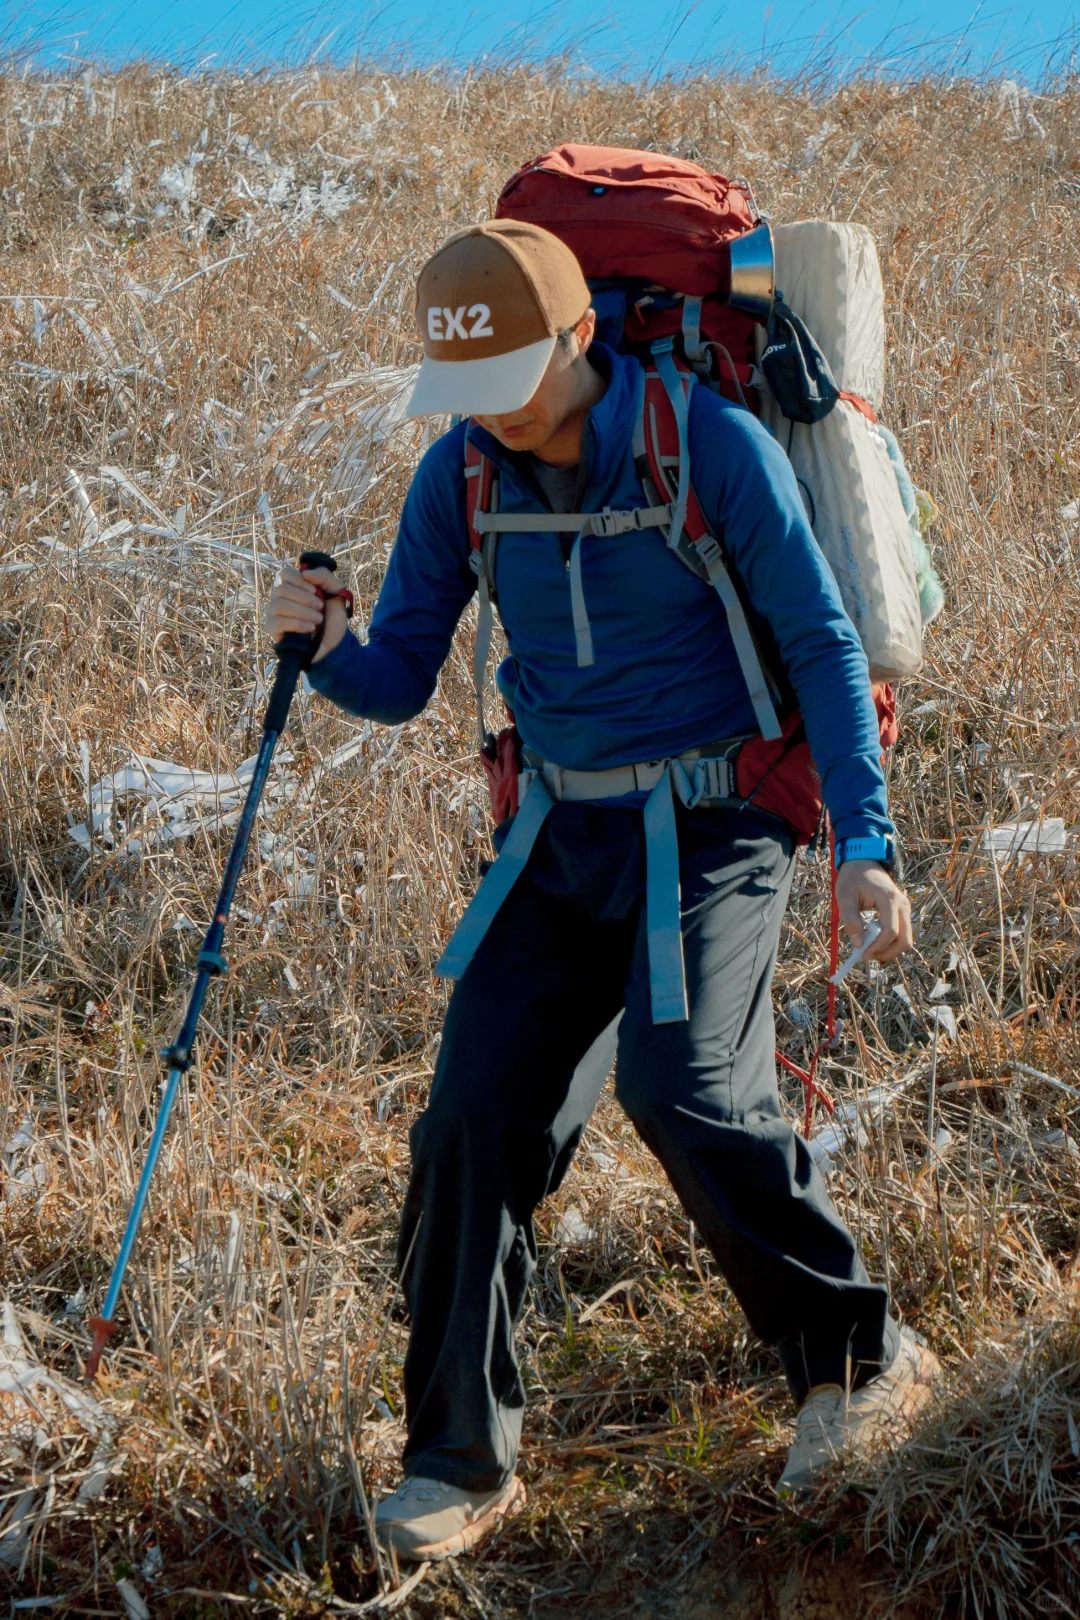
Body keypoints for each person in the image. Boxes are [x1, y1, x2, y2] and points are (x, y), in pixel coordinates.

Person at [267, 219, 940, 1563]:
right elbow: (401, 674)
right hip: (555, 836)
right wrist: (327, 646)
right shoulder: (460, 474)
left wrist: (865, 844)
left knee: (682, 1086)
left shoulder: (711, 445)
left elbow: (821, 645)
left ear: (580, 339)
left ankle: (858, 1358)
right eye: (464, 389)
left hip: (716, 818)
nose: (489, 415)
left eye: (509, 375)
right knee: (470, 1120)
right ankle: (458, 1462)